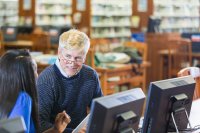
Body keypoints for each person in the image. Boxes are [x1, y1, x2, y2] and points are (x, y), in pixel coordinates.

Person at [37, 29, 103, 133]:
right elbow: (40, 124)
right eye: (68, 56)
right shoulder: (46, 80)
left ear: (85, 57)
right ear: (59, 52)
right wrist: (72, 132)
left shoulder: (91, 75)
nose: (72, 63)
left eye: (78, 58)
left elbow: (100, 109)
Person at [0, 49, 71, 133]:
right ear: (26, 76)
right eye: (35, 70)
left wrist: (56, 129)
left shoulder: (5, 95)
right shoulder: (23, 99)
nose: (37, 75)